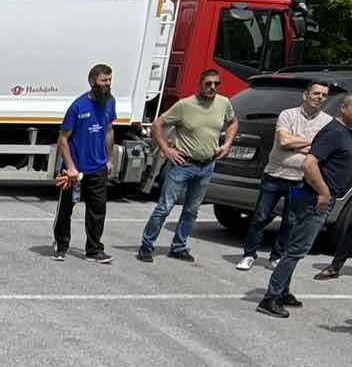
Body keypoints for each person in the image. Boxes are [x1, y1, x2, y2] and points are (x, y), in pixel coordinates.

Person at [258, 96, 352, 317]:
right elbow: (309, 164)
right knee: (297, 249)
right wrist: (323, 193)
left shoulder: (346, 133)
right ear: (343, 108)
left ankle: (283, 292)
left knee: (295, 245)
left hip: (318, 197)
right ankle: (270, 298)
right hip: (314, 199)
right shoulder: (333, 132)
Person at [138, 69, 237, 262]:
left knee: (192, 210)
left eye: (216, 84)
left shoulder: (224, 103)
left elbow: (233, 122)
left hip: (206, 166)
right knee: (165, 207)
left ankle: (178, 247)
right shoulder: (185, 105)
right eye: (208, 83)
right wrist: (167, 149)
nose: (212, 87)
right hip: (183, 165)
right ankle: (146, 246)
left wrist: (227, 144)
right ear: (200, 84)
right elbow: (157, 125)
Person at [238, 81, 330, 270]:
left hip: (299, 183)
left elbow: (322, 150)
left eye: (323, 95)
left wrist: (297, 144)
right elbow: (283, 141)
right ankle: (248, 255)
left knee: (290, 220)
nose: (320, 97)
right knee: (260, 217)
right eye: (316, 93)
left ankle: (276, 257)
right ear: (306, 95)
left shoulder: (327, 122)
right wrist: (310, 143)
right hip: (274, 177)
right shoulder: (287, 114)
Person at [53, 63, 117, 263]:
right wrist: (71, 167)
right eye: (103, 80)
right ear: (92, 82)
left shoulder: (110, 102)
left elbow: (108, 131)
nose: (107, 84)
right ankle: (61, 245)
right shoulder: (78, 106)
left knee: (97, 211)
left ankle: (94, 251)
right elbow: (63, 139)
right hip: (75, 171)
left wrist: (109, 159)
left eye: (109, 80)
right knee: (65, 210)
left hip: (98, 168)